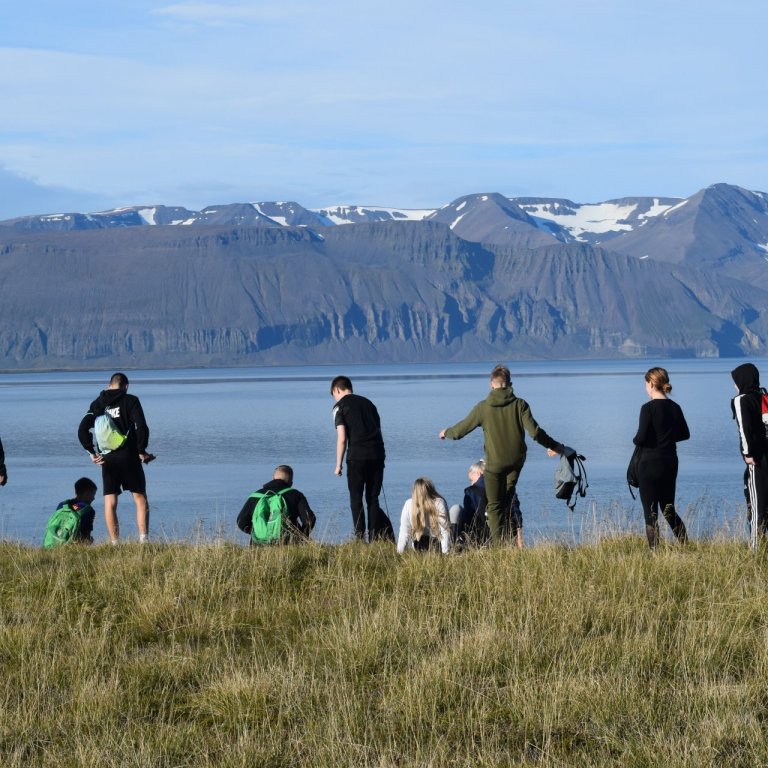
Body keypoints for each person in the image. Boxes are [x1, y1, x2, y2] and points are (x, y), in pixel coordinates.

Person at [439, 364, 563, 544]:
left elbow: (460, 431)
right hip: (516, 462)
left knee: (494, 506)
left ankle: (499, 548)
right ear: (510, 384)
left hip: (494, 465)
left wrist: (446, 432)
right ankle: (510, 540)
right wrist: (554, 446)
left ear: (491, 384)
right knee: (507, 499)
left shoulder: (483, 408)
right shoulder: (520, 405)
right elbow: (535, 433)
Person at [77, 372, 154, 544]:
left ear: (109, 385)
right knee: (140, 498)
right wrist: (142, 450)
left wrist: (92, 453)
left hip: (107, 459)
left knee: (110, 501)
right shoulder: (131, 400)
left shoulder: (98, 404)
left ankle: (114, 543)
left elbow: (82, 429)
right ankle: (144, 541)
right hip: (129, 456)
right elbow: (141, 426)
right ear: (126, 386)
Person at [330, 375, 394, 542]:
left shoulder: (339, 407)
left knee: (356, 498)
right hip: (377, 455)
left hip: (356, 457)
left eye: (333, 395)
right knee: (373, 499)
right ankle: (373, 538)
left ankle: (359, 539)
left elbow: (342, 438)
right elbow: (379, 431)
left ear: (337, 390)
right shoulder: (370, 404)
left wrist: (338, 464)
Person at [633, 367, 690, 549]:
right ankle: (685, 546)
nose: (645, 388)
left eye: (645, 384)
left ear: (651, 384)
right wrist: (666, 438)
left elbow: (640, 438)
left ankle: (654, 554)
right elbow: (685, 434)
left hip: (649, 463)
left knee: (650, 513)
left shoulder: (647, 408)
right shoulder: (675, 407)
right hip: (670, 461)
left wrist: (639, 440)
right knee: (668, 508)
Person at [731, 362, 768, 549]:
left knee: (756, 506)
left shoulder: (741, 400)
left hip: (758, 460)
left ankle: (755, 551)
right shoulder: (764, 396)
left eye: (735, 380)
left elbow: (744, 430)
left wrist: (748, 454)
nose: (734, 385)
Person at [236, 464, 316, 544]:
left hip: (258, 546)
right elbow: (310, 519)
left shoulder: (256, 496)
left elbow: (241, 521)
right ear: (291, 483)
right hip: (288, 545)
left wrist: (257, 533)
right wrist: (301, 537)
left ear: (273, 478)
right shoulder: (296, 495)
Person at [397, 477, 451, 554]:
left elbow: (404, 532)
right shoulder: (439, 502)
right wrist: (446, 553)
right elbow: (445, 531)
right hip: (437, 545)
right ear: (431, 490)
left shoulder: (408, 504)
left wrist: (399, 553)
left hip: (418, 546)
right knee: (456, 509)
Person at [47, 477, 98, 545]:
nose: (93, 498)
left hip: (54, 543)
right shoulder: (88, 510)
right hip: (73, 545)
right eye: (93, 495)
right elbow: (86, 536)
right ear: (86, 493)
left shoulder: (62, 505)